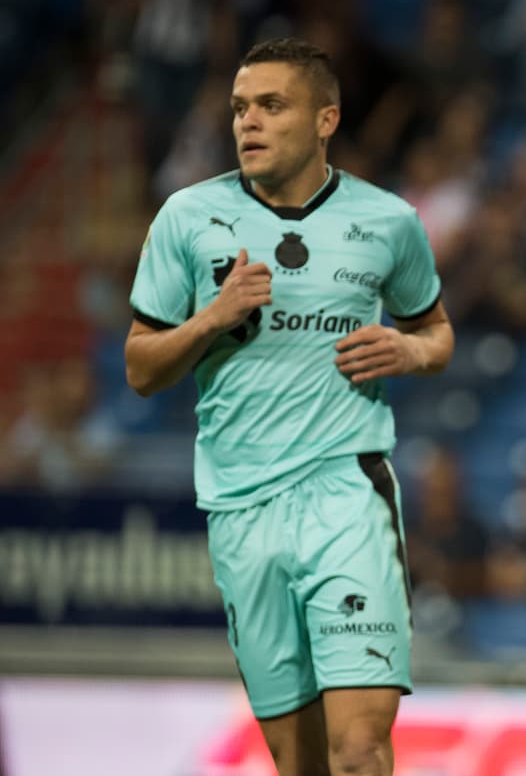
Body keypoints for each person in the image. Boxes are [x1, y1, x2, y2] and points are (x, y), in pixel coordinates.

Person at [124, 38, 454, 776]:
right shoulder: (187, 216)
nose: (249, 122)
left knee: (361, 747)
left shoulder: (388, 221)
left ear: (325, 118)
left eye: (272, 105)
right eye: (241, 107)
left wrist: (409, 351)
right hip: (242, 506)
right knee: (295, 760)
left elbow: (437, 332)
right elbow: (140, 368)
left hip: (347, 491)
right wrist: (211, 317)